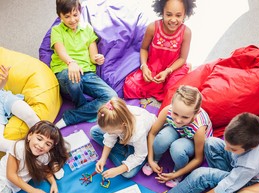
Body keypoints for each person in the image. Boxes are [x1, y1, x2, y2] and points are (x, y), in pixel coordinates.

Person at [145, 112, 259, 193]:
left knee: (202, 175)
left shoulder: (249, 165)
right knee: (210, 143)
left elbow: (228, 184)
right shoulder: (252, 128)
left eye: (233, 148)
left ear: (251, 147)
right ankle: (220, 179)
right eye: (227, 142)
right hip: (238, 167)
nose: (227, 149)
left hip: (252, 181)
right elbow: (258, 121)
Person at [51, 0, 117, 128]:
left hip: (87, 73)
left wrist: (98, 58)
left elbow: (93, 56)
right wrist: (71, 63)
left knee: (112, 97)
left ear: (80, 13)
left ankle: (73, 116)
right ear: (60, 16)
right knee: (73, 79)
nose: (72, 20)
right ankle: (86, 110)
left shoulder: (87, 28)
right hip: (66, 70)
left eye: (75, 15)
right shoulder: (56, 30)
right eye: (67, 16)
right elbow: (60, 50)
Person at [123, 0, 197, 102]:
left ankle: (185, 70)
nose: (173, 20)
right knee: (130, 86)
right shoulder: (153, 27)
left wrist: (167, 71)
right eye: (169, 15)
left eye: (178, 16)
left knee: (176, 92)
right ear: (162, 12)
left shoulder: (186, 33)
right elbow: (144, 49)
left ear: (185, 14)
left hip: (173, 70)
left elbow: (182, 58)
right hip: (154, 68)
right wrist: (144, 66)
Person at [142, 85, 212, 188]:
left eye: (185, 117)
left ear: (196, 113)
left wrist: (176, 174)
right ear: (172, 106)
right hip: (176, 130)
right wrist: (151, 160)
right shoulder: (168, 111)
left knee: (177, 148)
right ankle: (157, 158)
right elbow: (152, 133)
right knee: (162, 138)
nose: (178, 120)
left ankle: (179, 170)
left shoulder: (199, 128)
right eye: (175, 113)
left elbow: (198, 158)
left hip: (191, 140)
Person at [90, 97, 157, 179]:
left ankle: (126, 154)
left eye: (111, 132)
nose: (109, 133)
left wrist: (117, 170)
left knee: (127, 174)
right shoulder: (116, 115)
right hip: (124, 134)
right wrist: (103, 159)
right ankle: (125, 153)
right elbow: (110, 136)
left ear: (123, 125)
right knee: (94, 131)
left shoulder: (138, 132)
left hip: (142, 141)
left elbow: (140, 155)